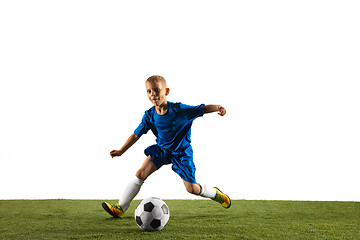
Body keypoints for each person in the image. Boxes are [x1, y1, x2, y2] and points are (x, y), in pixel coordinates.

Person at [102, 75, 231, 218]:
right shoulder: (149, 115)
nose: (153, 94)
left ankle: (216, 194)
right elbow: (136, 135)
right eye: (149, 91)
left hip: (181, 152)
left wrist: (218, 108)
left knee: (192, 189)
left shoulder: (179, 110)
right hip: (162, 150)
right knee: (140, 174)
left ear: (166, 91)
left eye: (156, 90)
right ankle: (120, 208)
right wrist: (121, 151)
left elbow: (201, 109)